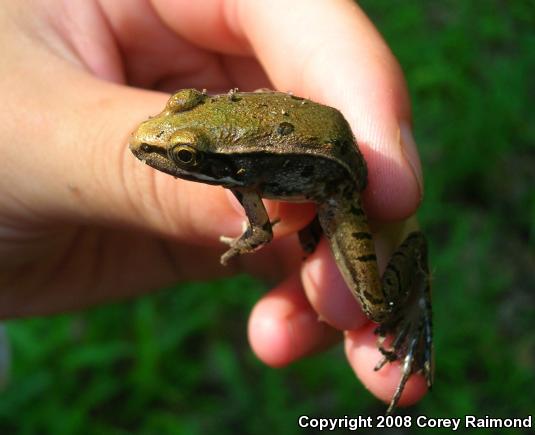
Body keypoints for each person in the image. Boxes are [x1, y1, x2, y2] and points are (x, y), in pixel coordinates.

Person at [0, 0, 427, 407]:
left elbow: (260, 230)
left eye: (184, 156)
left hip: (336, 186)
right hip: (312, 146)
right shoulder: (240, 167)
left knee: (375, 306)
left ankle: (419, 287)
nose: (151, 141)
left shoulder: (244, 179)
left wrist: (241, 241)